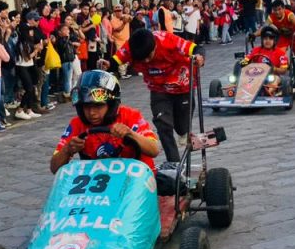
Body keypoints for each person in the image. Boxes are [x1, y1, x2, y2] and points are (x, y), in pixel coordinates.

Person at [109, 28, 203, 163]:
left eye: (149, 56)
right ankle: (174, 165)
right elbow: (116, 60)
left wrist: (200, 57)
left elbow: (196, 49)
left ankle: (183, 131)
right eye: (143, 59)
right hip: (158, 89)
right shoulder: (132, 46)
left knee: (183, 127)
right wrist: (107, 64)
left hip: (182, 87)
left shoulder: (168, 40)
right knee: (163, 126)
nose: (147, 61)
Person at [50, 70, 160, 174]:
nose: (92, 113)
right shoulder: (77, 124)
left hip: (135, 181)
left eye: (98, 106)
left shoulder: (130, 116)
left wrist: (130, 134)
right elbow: (54, 168)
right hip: (98, 184)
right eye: (86, 107)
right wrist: (67, 149)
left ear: (111, 105)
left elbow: (154, 150)